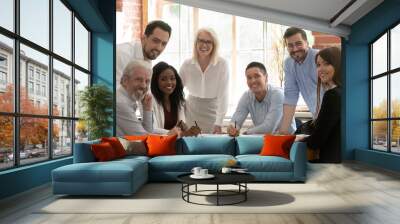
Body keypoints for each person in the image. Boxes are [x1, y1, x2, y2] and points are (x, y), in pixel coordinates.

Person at [295, 47, 341, 163]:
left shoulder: (332, 95)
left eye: (326, 64)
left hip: (331, 162)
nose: (321, 69)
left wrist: (302, 138)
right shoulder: (342, 92)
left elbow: (316, 142)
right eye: (318, 65)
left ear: (338, 65)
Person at [179, 28, 229, 134]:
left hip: (212, 113)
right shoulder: (187, 64)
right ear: (196, 43)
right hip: (191, 112)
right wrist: (181, 118)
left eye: (208, 42)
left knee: (211, 147)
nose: (204, 45)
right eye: (201, 40)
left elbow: (223, 95)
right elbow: (177, 93)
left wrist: (219, 122)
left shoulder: (222, 64)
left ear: (214, 44)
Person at [227, 62, 295, 136]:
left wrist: (247, 133)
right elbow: (236, 120)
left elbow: (269, 128)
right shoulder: (247, 96)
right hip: (264, 140)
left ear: (266, 77)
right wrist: (233, 127)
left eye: (257, 76)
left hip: (288, 141)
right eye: (249, 78)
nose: (253, 81)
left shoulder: (278, 94)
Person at [278, 27, 322, 134]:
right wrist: (282, 132)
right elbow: (290, 96)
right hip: (317, 117)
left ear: (307, 43)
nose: (295, 49)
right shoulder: (289, 64)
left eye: (298, 43)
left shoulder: (319, 57)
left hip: (333, 113)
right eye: (290, 45)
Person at [116, 20, 172, 86]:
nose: (159, 48)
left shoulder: (148, 55)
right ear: (143, 38)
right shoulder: (123, 53)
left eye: (164, 44)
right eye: (155, 41)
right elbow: (117, 90)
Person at [116, 60, 153, 136]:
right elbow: (144, 139)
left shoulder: (132, 100)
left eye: (147, 81)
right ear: (125, 80)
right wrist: (171, 135)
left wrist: (147, 109)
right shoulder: (121, 103)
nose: (144, 86)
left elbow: (147, 131)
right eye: (139, 80)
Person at [151, 62, 185, 135]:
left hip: (175, 141)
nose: (169, 82)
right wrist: (171, 132)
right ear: (155, 81)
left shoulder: (178, 100)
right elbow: (152, 129)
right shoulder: (150, 100)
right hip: (158, 142)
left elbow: (182, 125)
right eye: (163, 79)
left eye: (172, 78)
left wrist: (189, 131)